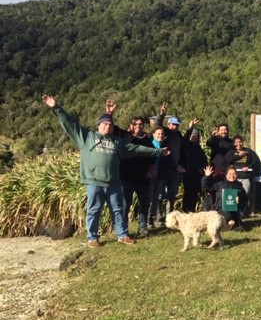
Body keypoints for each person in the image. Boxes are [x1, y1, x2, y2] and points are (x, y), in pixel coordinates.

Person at [41, 95, 168, 247]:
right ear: (99, 126)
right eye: (105, 124)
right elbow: (70, 124)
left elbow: (137, 149)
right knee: (94, 210)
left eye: (110, 125)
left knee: (119, 209)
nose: (107, 126)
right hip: (94, 182)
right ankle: (92, 238)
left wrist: (159, 152)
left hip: (114, 182)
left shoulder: (117, 142)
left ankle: (122, 235)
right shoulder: (86, 137)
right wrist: (56, 107)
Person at [112, 113, 155, 238]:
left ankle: (143, 227)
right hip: (126, 178)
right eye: (136, 124)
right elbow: (113, 128)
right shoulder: (125, 136)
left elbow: (153, 154)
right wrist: (109, 113)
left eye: (141, 124)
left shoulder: (147, 140)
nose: (139, 126)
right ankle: (123, 229)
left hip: (144, 178)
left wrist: (151, 167)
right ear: (131, 125)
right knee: (125, 205)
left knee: (145, 204)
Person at [153, 102, 186, 220]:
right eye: (173, 125)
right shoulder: (165, 132)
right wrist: (161, 114)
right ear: (168, 124)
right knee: (160, 194)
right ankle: (158, 216)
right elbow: (157, 125)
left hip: (175, 169)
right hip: (164, 168)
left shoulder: (179, 136)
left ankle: (170, 215)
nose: (175, 127)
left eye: (177, 125)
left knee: (172, 194)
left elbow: (183, 148)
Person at [225, 135, 260, 214]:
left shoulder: (249, 151)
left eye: (240, 142)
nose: (238, 144)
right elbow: (228, 160)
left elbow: (255, 161)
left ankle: (243, 212)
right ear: (233, 143)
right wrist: (240, 155)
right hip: (233, 178)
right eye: (236, 142)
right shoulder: (231, 152)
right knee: (233, 195)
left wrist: (248, 167)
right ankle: (233, 212)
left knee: (245, 194)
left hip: (245, 177)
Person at [182, 119, 209, 213]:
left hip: (198, 174)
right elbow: (184, 139)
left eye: (196, 136)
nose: (194, 137)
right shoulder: (186, 146)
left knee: (195, 194)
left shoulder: (199, 149)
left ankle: (192, 210)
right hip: (188, 174)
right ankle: (186, 210)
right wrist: (190, 127)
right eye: (192, 136)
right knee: (188, 193)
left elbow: (204, 161)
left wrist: (203, 169)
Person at [149, 126, 171, 228]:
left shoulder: (164, 145)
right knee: (148, 197)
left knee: (156, 197)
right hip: (149, 174)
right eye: (158, 134)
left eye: (162, 134)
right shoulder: (150, 144)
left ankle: (153, 219)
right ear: (153, 134)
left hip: (160, 175)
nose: (160, 136)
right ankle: (147, 220)